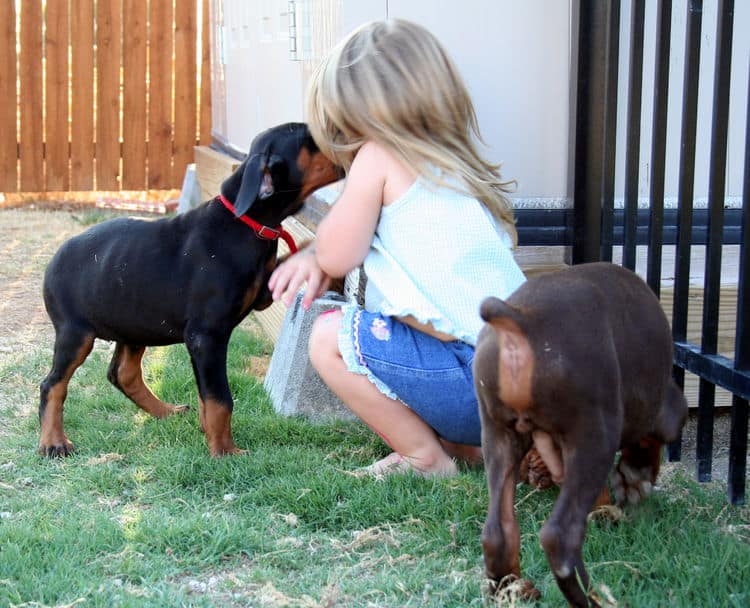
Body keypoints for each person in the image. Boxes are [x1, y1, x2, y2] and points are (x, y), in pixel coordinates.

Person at [268, 19, 526, 478]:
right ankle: (479, 448)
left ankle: (423, 457)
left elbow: (337, 255)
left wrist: (311, 255)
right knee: (422, 333)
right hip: (524, 383)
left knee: (329, 338)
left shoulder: (380, 156)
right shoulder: (458, 166)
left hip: (472, 383)